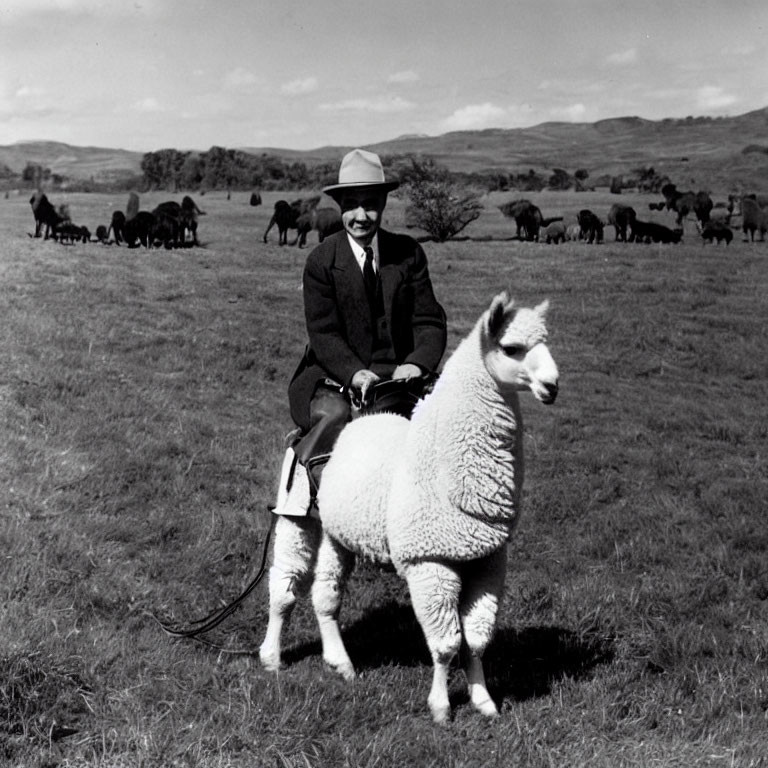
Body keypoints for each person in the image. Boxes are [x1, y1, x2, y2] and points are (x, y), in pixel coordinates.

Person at [273, 148, 447, 516]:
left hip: (400, 376)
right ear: (339, 206)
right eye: (352, 205)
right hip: (334, 374)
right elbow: (324, 335)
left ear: (383, 203)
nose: (361, 216)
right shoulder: (322, 261)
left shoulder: (408, 253)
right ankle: (302, 498)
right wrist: (354, 372)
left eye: (370, 204)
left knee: (450, 425)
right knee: (334, 417)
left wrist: (416, 364)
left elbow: (428, 321)